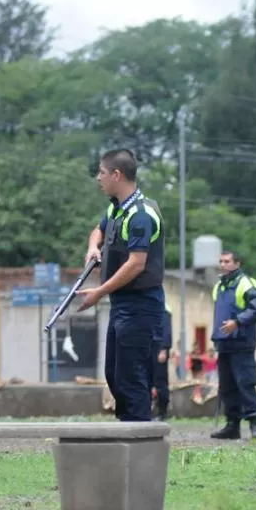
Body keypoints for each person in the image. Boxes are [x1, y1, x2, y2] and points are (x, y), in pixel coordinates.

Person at [78, 148, 166, 422]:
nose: (98, 178)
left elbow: (136, 264)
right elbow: (99, 229)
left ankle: (138, 439)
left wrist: (99, 292)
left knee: (131, 377)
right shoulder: (116, 208)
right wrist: (94, 246)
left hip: (140, 305)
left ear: (117, 175)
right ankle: (126, 431)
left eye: (102, 173)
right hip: (121, 303)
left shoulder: (141, 214)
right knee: (114, 374)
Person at [209, 250, 256, 441]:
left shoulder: (246, 283)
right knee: (226, 387)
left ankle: (255, 426)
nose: (223, 264)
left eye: (227, 261)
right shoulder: (218, 286)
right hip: (224, 344)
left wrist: (237, 322)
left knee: (246, 384)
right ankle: (232, 426)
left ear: (237, 264)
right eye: (221, 261)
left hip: (242, 342)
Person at [151, 302, 173, 420]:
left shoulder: (163, 307)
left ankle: (162, 412)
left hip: (159, 347)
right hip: (149, 346)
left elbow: (166, 330)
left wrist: (164, 348)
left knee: (160, 382)